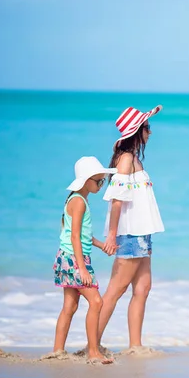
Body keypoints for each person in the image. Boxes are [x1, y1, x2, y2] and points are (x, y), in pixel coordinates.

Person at [97, 105, 165, 350]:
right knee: (116, 289)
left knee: (143, 288)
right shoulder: (125, 159)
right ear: (137, 131)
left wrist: (152, 112)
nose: (150, 132)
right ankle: (93, 345)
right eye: (147, 127)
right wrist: (112, 236)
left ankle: (135, 346)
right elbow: (117, 200)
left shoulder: (132, 157)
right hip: (130, 234)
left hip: (142, 233)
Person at [52, 156, 118, 364]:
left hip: (68, 257)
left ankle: (57, 351)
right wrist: (82, 268)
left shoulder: (77, 199)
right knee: (96, 301)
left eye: (102, 181)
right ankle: (93, 352)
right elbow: (74, 238)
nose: (100, 185)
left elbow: (80, 234)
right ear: (86, 180)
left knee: (70, 306)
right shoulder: (79, 202)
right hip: (74, 260)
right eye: (98, 181)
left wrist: (100, 246)